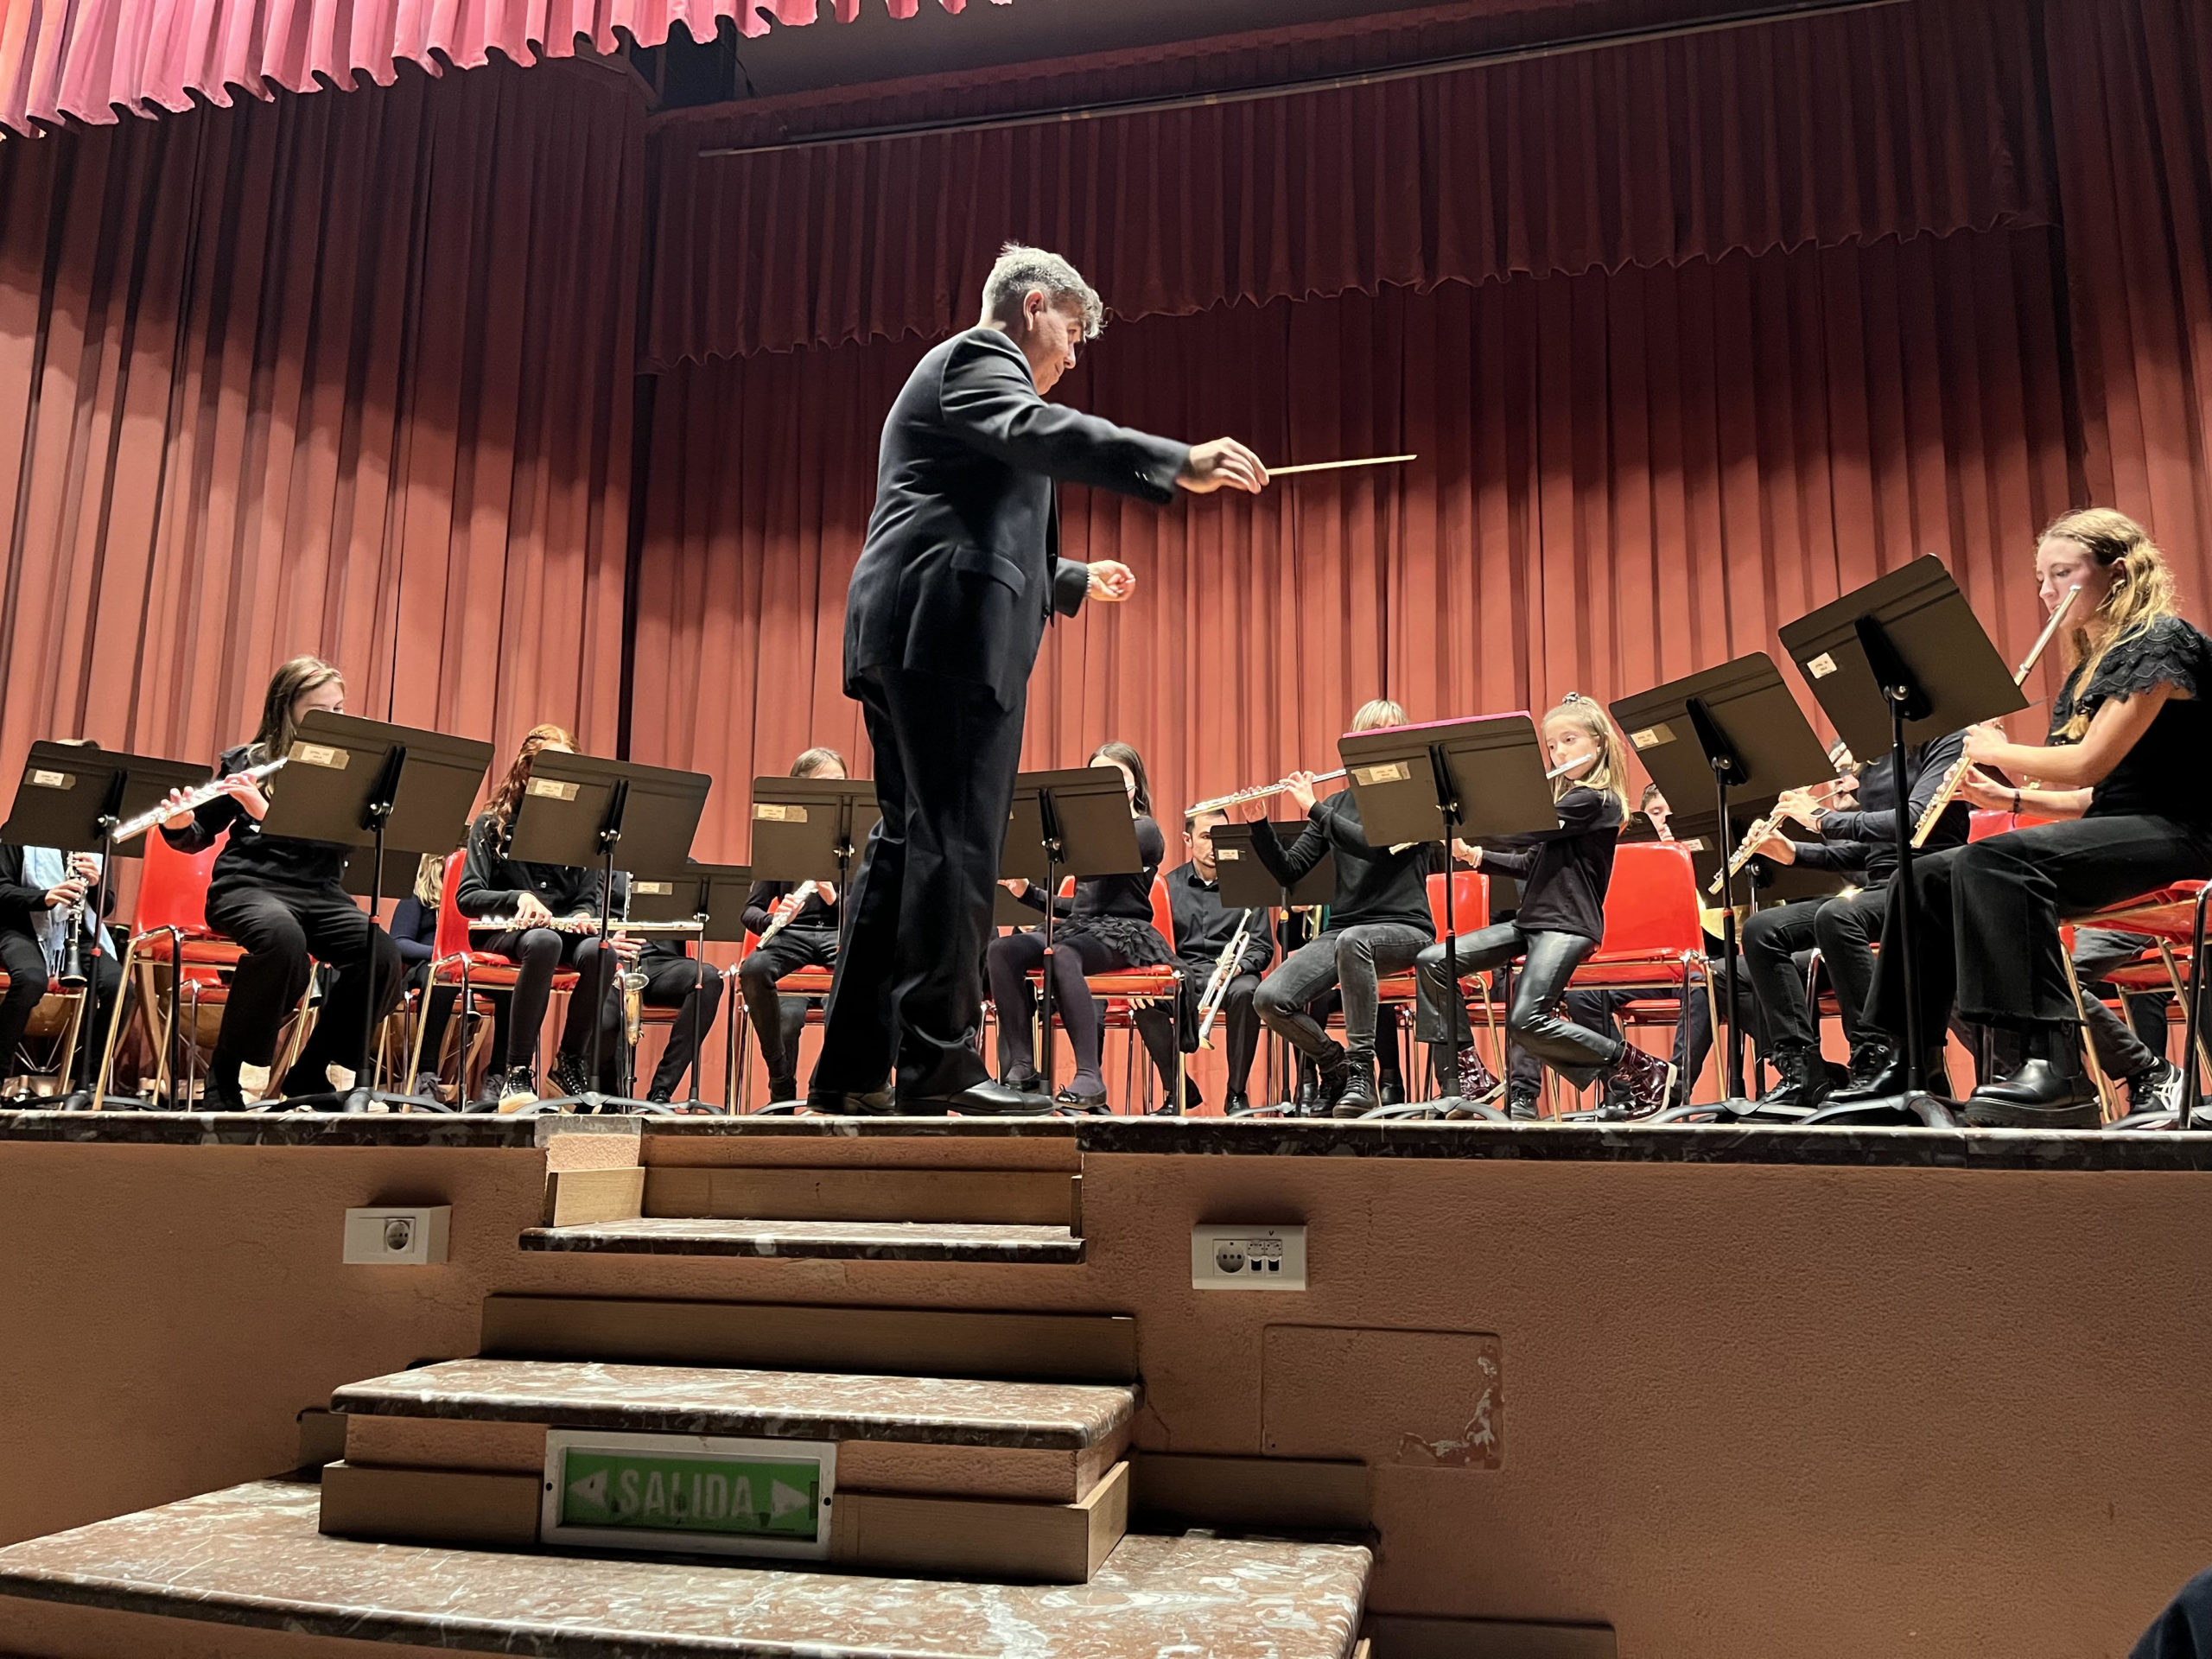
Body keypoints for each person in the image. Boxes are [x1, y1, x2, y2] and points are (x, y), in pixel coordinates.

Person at [812, 245, 1266, 1116]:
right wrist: (1172, 459)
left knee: (908, 846)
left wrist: (1068, 577)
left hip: (912, 621)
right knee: (957, 845)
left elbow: (960, 502)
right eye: (1072, 329)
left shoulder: (971, 385)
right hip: (942, 628)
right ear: (1031, 304)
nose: (1073, 352)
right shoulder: (981, 357)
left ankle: (852, 1066)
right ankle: (939, 1060)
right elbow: (1032, 435)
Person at [1828, 508, 2212, 1124]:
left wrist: (1993, 749)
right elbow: (2095, 800)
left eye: (2063, 574)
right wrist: (1999, 796)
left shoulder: (2162, 643)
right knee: (1922, 878)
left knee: (1995, 862)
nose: (2047, 592)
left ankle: (2048, 1064)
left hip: (2185, 834)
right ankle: (1906, 1063)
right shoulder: (2091, 668)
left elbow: (2089, 764)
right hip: (2122, 827)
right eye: (2042, 578)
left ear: (2118, 572)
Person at [155, 657, 404, 1109]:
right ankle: (224, 1076)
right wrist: (180, 823)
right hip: (249, 886)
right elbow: (196, 836)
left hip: (320, 892)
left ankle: (310, 1071)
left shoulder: (352, 770)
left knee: (381, 954)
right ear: (287, 708)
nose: (334, 720)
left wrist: (264, 811)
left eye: (340, 709)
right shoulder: (249, 762)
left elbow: (344, 840)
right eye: (320, 710)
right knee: (281, 938)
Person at [1414, 696, 1675, 1119]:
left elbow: (1528, 829)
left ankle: (1641, 1068)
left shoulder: (1598, 801)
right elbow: (1529, 862)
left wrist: (1468, 810)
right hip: (1533, 922)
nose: (1559, 753)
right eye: (1552, 745)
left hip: (1568, 924)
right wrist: (1473, 855)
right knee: (1433, 961)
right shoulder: (1568, 804)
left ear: (1600, 743)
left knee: (1526, 1020)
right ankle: (1469, 1072)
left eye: (1569, 740)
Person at [1738, 733, 1972, 1112]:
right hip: (1882, 890)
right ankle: (1803, 1073)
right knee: (1762, 929)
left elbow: (1914, 820)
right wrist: (1793, 852)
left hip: (1930, 883)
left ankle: (1876, 1058)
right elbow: (1871, 849)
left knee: (1839, 914)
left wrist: (1821, 819)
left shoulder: (1946, 741)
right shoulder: (1875, 755)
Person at [1244, 700, 1440, 1114]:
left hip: (1405, 928)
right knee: (1269, 998)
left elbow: (1376, 847)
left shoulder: (1417, 798)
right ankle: (1335, 1065)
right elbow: (1290, 870)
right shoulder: (1337, 803)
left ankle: (1362, 1071)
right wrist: (1258, 823)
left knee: (1354, 941)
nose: (1381, 739)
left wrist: (1313, 808)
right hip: (1348, 933)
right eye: (1371, 732)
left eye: (1391, 730)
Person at [455, 725, 634, 1111]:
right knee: (545, 942)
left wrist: (585, 916)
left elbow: (586, 899)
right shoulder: (492, 825)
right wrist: (518, 898)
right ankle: (516, 1071)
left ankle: (569, 1060)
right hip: (503, 931)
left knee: (601, 950)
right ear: (527, 770)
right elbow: (468, 897)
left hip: (555, 931)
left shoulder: (582, 833)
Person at [988, 742, 1172, 1109]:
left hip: (1125, 931)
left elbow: (1098, 865)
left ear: (1136, 784)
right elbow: (1080, 907)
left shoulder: (1145, 829)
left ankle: (1090, 1075)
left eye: (1116, 775)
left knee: (1063, 953)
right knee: (1002, 950)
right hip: (1084, 927)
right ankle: (1023, 1065)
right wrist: (1029, 892)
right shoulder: (1085, 833)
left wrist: (1062, 836)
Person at [1143, 807, 1275, 1114]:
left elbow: (1262, 947)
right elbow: (1154, 943)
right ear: (1187, 839)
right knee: (1144, 1000)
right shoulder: (1166, 886)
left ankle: (1236, 1094)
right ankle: (1177, 1088)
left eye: (1221, 837)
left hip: (1231, 976)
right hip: (1183, 974)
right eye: (1206, 837)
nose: (1215, 845)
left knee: (1248, 992)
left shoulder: (1248, 884)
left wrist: (1239, 966)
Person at [736, 747, 849, 1105]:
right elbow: (749, 911)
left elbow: (870, 911)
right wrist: (775, 918)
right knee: (755, 971)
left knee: (861, 986)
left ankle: (825, 1087)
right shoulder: (784, 838)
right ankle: (781, 1080)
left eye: (839, 784)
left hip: (841, 934)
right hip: (792, 935)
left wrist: (833, 897)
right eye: (825, 785)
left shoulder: (856, 837)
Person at [0, 841, 120, 1091]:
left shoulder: (95, 842)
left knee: (118, 988)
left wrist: (96, 884)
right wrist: (43, 897)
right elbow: (2, 889)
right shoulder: (18, 833)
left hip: (76, 931)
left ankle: (88, 1084)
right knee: (30, 979)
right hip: (20, 926)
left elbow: (105, 906)